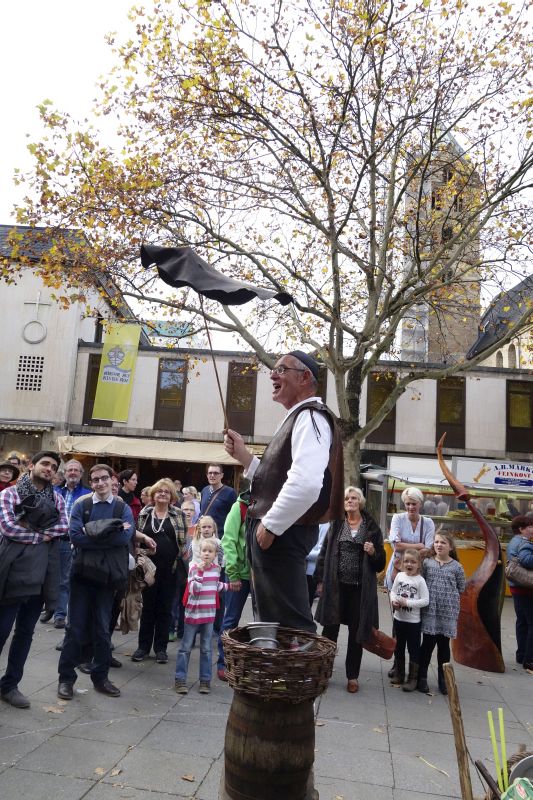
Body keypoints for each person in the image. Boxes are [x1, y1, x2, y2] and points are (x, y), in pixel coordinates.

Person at [224, 350, 344, 632]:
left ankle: (296, 662)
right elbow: (277, 481)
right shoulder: (302, 417)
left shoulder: (309, 417)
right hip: (281, 534)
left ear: (304, 377)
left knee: (289, 627)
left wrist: (271, 526)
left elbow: (306, 483)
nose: (273, 375)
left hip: (282, 535)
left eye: (281, 369)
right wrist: (244, 458)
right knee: (274, 624)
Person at [57, 463, 134, 700]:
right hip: (81, 575)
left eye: (104, 478)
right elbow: (75, 536)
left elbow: (124, 537)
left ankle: (101, 679)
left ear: (112, 480)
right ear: (91, 483)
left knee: (102, 629)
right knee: (75, 628)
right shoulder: (82, 505)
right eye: (96, 480)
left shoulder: (122, 507)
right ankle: (66, 679)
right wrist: (108, 532)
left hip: (107, 577)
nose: (100, 483)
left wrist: (92, 532)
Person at [0, 451, 68, 709]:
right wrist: (42, 536)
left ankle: (10, 685)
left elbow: (63, 526)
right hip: (12, 571)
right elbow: (8, 528)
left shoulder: (57, 498)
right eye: (45, 464)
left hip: (42, 573)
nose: (49, 469)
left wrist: (29, 528)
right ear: (31, 465)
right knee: (1, 630)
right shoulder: (10, 494)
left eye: (53, 466)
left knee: (25, 633)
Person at [315, 486, 385, 693]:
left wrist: (373, 552)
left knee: (357, 633)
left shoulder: (371, 528)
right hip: (336, 587)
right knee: (330, 630)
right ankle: (324, 672)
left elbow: (380, 563)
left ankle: (352, 676)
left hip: (359, 590)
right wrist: (320, 580)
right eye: (346, 498)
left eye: (354, 498)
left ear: (360, 502)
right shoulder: (337, 524)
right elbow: (324, 552)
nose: (350, 501)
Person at [131, 479, 187, 664]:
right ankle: (143, 647)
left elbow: (183, 542)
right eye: (159, 491)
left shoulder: (178, 514)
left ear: (172, 496)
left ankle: (161, 649)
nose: (163, 494)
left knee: (165, 609)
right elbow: (136, 540)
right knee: (147, 608)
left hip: (170, 570)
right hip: (148, 570)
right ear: (153, 495)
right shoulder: (144, 513)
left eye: (167, 491)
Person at [385, 486, 435, 682]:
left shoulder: (428, 523)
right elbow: (395, 544)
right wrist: (417, 547)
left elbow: (429, 549)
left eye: (414, 503)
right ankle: (397, 664)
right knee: (397, 617)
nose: (410, 507)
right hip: (398, 573)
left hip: (419, 576)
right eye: (407, 504)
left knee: (415, 618)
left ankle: (413, 667)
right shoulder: (398, 518)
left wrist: (407, 549)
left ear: (420, 504)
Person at [174, 538, 229, 695]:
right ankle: (180, 679)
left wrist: (230, 586)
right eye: (204, 551)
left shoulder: (216, 570)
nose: (206, 554)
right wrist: (200, 572)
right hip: (193, 614)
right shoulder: (193, 568)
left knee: (206, 649)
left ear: (215, 555)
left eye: (210, 551)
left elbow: (216, 586)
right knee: (185, 648)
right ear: (199, 553)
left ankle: (205, 680)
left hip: (209, 615)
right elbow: (194, 589)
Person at [417, 532, 466, 695]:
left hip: (448, 612)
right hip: (430, 611)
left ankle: (443, 679)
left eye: (443, 542)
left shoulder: (457, 567)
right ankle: (422, 677)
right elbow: (421, 582)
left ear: (450, 547)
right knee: (427, 644)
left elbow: (461, 587)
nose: (439, 545)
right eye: (436, 542)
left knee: (444, 646)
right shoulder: (427, 563)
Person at [50, 459, 91, 629]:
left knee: (65, 579)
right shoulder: (54, 491)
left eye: (76, 470)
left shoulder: (87, 494)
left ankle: (60, 614)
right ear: (64, 473)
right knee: (49, 577)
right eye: (70, 470)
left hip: (73, 542)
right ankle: (50, 607)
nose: (73, 472)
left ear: (81, 474)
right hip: (52, 540)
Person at [216, 489, 252, 681]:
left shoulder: (274, 504)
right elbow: (228, 541)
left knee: (263, 622)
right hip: (240, 573)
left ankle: (254, 664)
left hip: (263, 576)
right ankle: (224, 663)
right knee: (231, 619)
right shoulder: (240, 507)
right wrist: (233, 573)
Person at [389, 549, 429, 691]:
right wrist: (394, 601)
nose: (409, 564)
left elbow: (425, 600)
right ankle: (399, 674)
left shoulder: (420, 581)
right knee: (398, 647)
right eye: (406, 561)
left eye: (413, 562)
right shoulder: (400, 576)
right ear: (402, 563)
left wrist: (408, 603)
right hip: (398, 619)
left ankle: (412, 679)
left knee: (413, 650)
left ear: (418, 564)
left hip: (413, 623)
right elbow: (393, 591)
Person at [506, 515, 533, 672]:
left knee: (522, 622)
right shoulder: (523, 542)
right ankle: (529, 659)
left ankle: (521, 654)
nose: (532, 529)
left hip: (517, 586)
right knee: (531, 623)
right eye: (530, 526)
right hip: (526, 587)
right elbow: (526, 560)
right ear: (521, 529)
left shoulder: (514, 541)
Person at [200, 466, 237, 536]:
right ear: (207, 475)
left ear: (221, 475)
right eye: (210, 473)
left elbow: (234, 517)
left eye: (216, 473)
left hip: (220, 536)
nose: (212, 475)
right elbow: (201, 511)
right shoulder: (204, 490)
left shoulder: (230, 493)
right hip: (203, 536)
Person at [306, 522, 329, 607]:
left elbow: (322, 552)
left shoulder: (324, 525)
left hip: (311, 572)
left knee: (306, 606)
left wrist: (301, 554)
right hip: (303, 569)